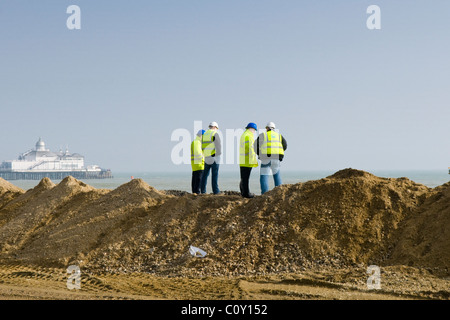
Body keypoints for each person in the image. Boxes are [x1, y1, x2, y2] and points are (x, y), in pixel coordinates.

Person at [254, 122, 287, 194]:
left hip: (266, 158)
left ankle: (265, 194)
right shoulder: (279, 136)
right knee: (277, 175)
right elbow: (285, 145)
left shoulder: (263, 135)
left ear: (267, 128)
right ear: (274, 128)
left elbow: (255, 146)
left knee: (264, 176)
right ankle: (279, 193)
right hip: (277, 158)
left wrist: (260, 154)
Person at [200, 121, 222, 194]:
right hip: (214, 157)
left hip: (206, 157)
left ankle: (203, 191)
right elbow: (218, 146)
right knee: (214, 175)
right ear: (215, 127)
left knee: (205, 175)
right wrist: (218, 154)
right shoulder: (214, 134)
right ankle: (216, 191)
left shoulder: (204, 135)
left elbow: (202, 146)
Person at [239, 122, 258, 198]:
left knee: (243, 177)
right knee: (246, 178)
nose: (254, 132)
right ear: (252, 129)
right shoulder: (249, 136)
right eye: (254, 130)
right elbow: (251, 148)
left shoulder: (244, 135)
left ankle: (243, 192)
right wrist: (253, 159)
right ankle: (246, 194)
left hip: (243, 160)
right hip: (247, 160)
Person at [191, 129, 205, 194]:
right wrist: (203, 159)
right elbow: (198, 153)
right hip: (199, 164)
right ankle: (197, 193)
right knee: (198, 180)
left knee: (195, 180)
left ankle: (194, 193)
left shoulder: (195, 142)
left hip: (195, 165)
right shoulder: (197, 142)